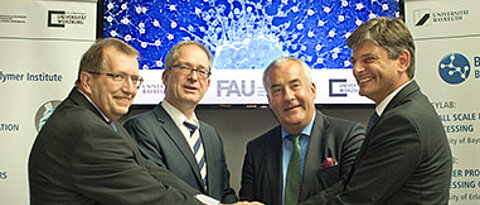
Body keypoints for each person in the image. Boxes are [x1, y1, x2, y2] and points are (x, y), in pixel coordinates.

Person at [28, 38, 261, 205]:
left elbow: (152, 172)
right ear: (87, 81)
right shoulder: (86, 129)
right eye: (118, 77)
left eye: (134, 79)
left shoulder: (105, 123)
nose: (129, 89)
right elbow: (150, 194)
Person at [300, 17, 452, 204]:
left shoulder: (403, 122)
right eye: (354, 61)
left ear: (402, 61)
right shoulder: (396, 111)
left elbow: (357, 199)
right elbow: (349, 183)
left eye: (369, 59)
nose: (357, 69)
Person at [239, 56, 366, 205]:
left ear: (312, 90)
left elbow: (353, 193)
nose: (288, 97)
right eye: (278, 90)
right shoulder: (257, 150)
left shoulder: (349, 137)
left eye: (295, 86)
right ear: (270, 101)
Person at [124, 41, 237, 203]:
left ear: (208, 83)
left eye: (201, 71)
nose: (193, 77)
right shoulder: (141, 128)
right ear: (165, 77)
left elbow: (224, 192)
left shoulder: (212, 135)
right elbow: (158, 191)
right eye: (185, 68)